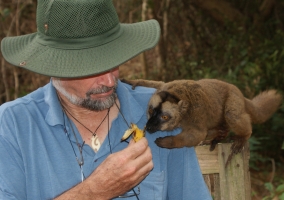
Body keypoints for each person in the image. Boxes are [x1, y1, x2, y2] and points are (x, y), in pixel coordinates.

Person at [0, 0, 212, 199]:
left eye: (113, 62)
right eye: (93, 68)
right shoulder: (13, 125)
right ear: (54, 66)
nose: (110, 81)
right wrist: (94, 192)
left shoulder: (160, 112)